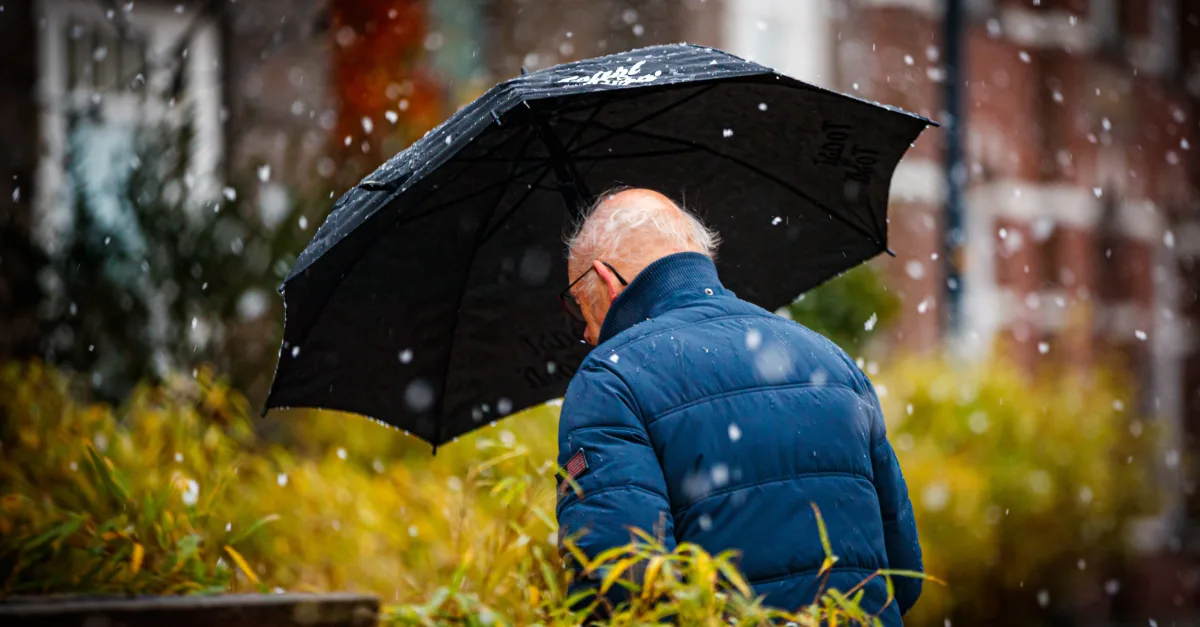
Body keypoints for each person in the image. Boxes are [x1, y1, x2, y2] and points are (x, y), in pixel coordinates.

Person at [555, 187, 922, 624]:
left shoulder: (610, 380)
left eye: (580, 306)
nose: (588, 335)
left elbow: (621, 591)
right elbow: (905, 576)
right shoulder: (833, 361)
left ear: (605, 280)